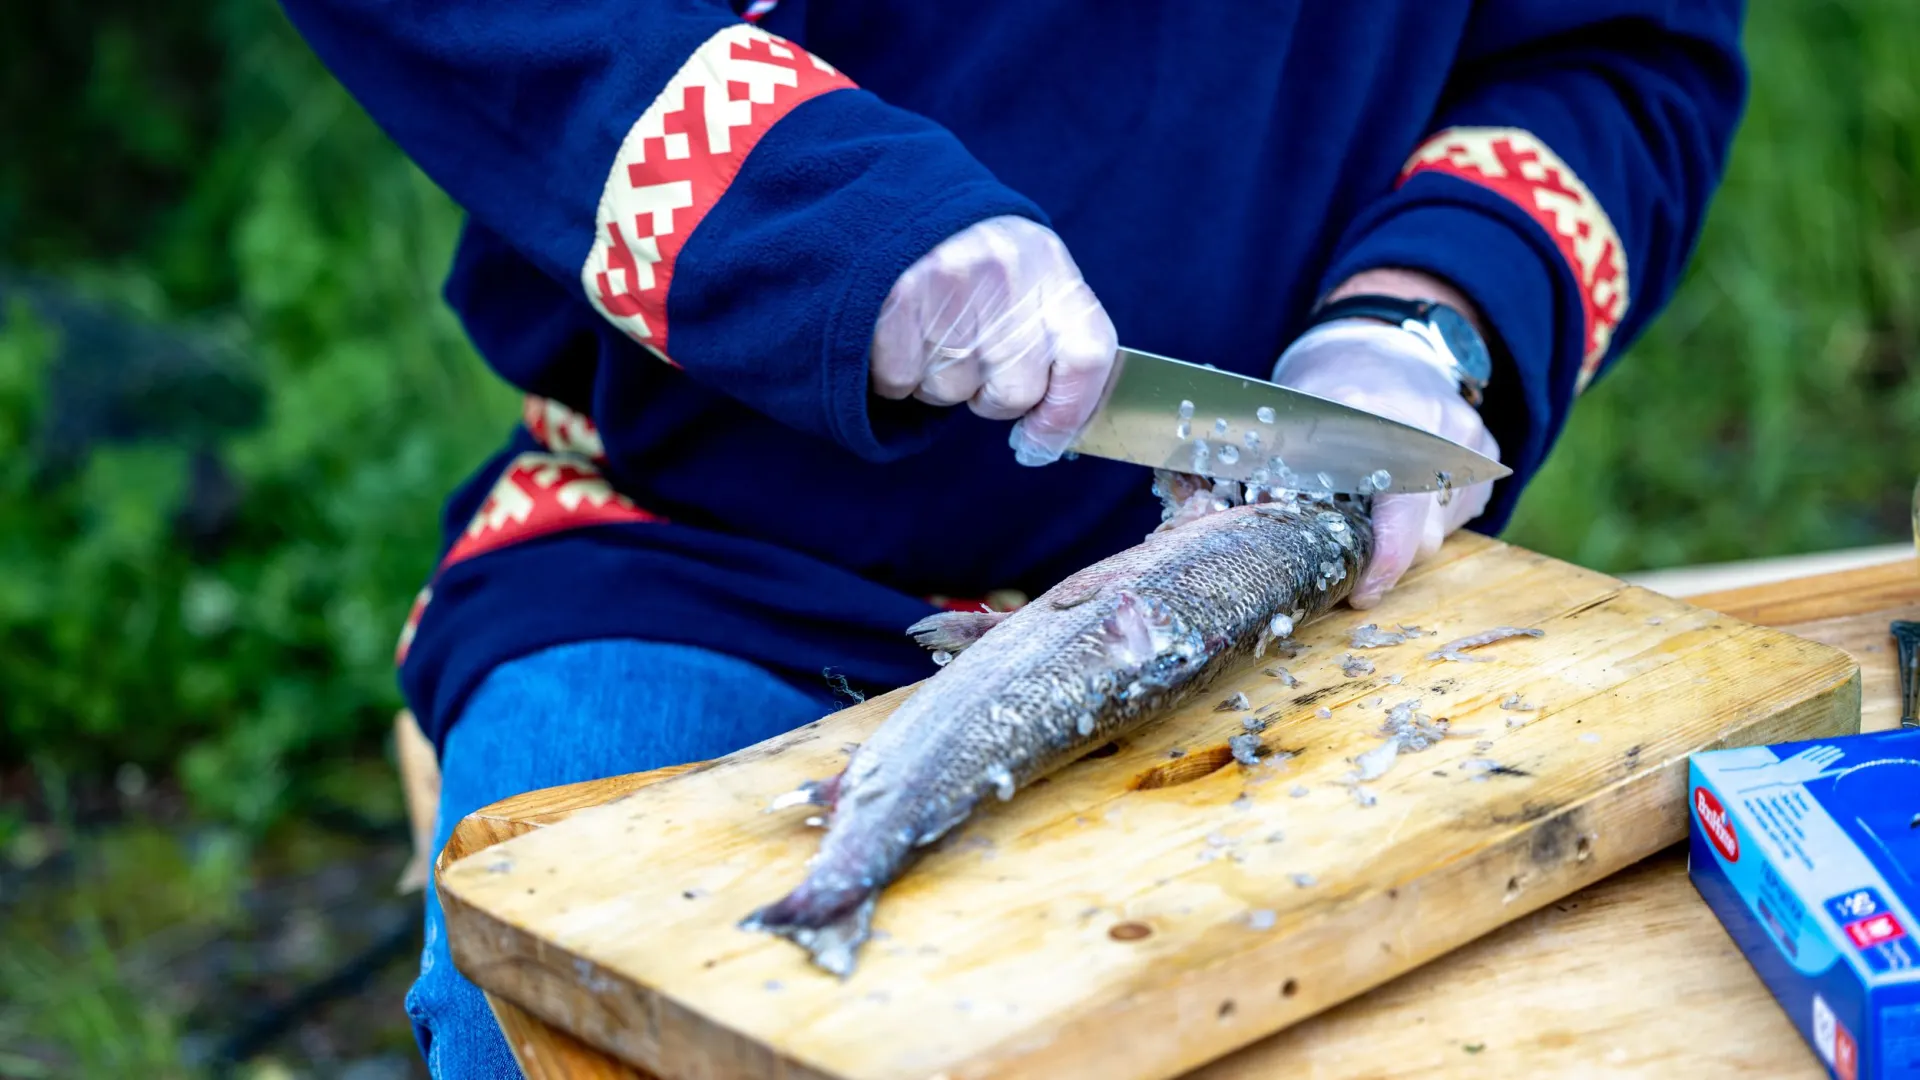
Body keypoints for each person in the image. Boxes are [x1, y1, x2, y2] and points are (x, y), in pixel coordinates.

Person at [276, 1, 1748, 1073]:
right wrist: (828, 212)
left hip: (1293, 612)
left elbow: (1621, 50)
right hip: (691, 552)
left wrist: (1427, 315)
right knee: (565, 1016)